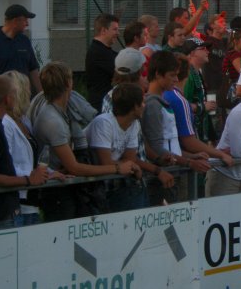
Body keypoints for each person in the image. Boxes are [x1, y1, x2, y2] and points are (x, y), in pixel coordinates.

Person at [34, 62, 138, 221]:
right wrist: (117, 169)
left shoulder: (60, 113)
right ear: (69, 83)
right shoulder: (53, 120)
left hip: (62, 185)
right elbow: (74, 167)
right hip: (56, 191)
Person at [87, 83, 174, 212]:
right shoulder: (104, 123)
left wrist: (150, 166)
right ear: (134, 107)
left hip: (111, 185)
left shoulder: (134, 124)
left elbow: (130, 159)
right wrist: (131, 167)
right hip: (93, 189)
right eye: (142, 103)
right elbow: (105, 162)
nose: (145, 106)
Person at [141, 51, 211, 204]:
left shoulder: (159, 101)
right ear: (159, 75)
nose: (176, 79)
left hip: (173, 173)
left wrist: (190, 156)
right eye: (172, 75)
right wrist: (188, 162)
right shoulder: (153, 105)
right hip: (165, 178)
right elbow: (156, 149)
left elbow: (169, 146)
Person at [0, 73, 49, 228]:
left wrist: (47, 173)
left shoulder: (21, 122)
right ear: (8, 98)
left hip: (14, 207)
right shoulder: (4, 125)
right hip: (6, 210)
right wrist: (28, 179)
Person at [164, 54, 232, 166]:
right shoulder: (178, 100)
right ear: (187, 75)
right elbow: (188, 141)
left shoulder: (163, 95)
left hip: (175, 158)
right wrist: (220, 154)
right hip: (175, 166)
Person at [0, 4, 41, 94]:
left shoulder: (24, 41)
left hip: (23, 98)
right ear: (15, 21)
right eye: (25, 20)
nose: (27, 23)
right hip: (2, 99)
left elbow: (33, 69)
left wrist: (41, 94)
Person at [182, 37, 217, 142]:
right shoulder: (188, 75)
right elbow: (182, 103)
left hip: (200, 130)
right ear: (192, 53)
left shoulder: (197, 72)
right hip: (191, 133)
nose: (207, 51)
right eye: (203, 48)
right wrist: (202, 107)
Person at [85, 13, 120, 111]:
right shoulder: (98, 52)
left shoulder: (105, 51)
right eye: (115, 29)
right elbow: (123, 71)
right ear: (104, 30)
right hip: (101, 107)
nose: (118, 33)